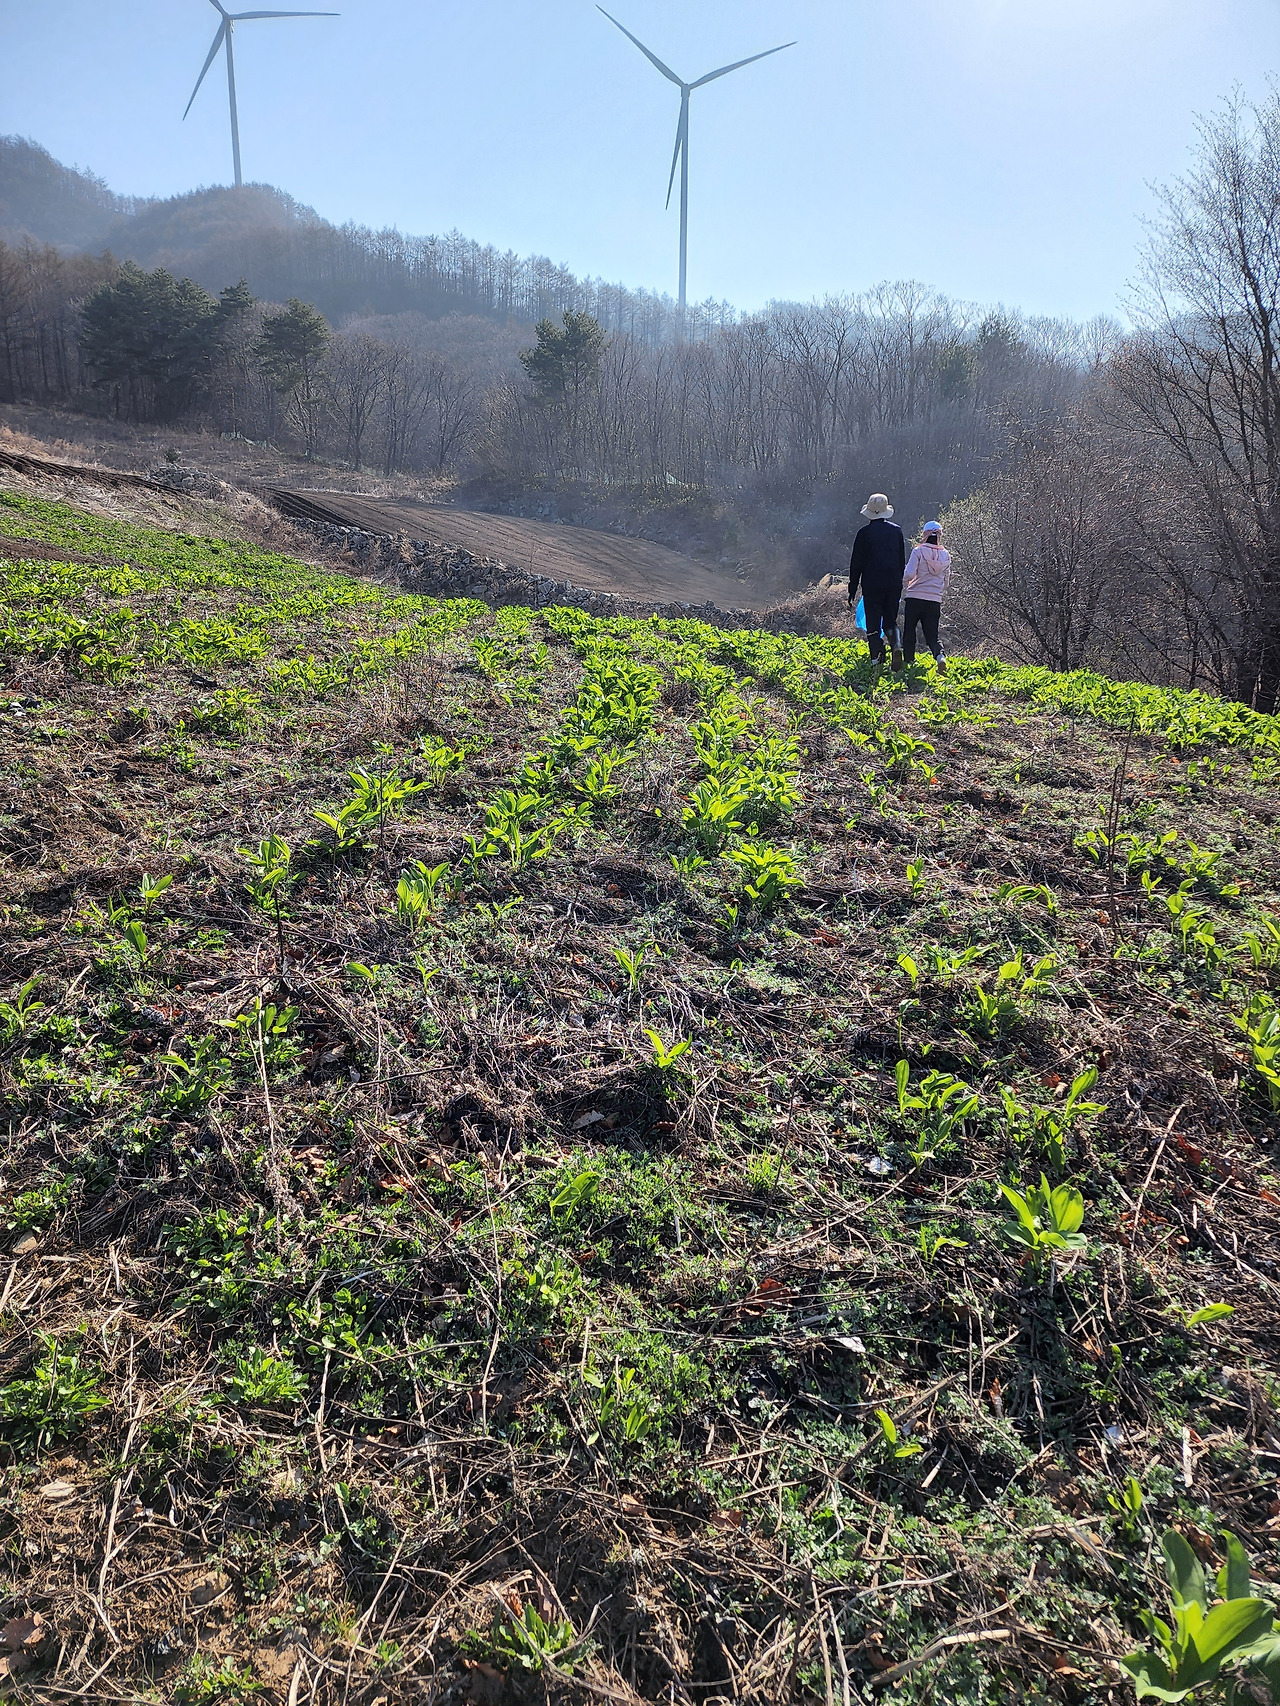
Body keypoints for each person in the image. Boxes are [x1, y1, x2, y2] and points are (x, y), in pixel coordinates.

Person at [848, 492, 906, 669]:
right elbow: (901, 560)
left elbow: (856, 564)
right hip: (893, 583)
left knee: (873, 623)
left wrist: (852, 589)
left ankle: (877, 661)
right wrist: (898, 582)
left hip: (872, 585)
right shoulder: (896, 531)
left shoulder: (864, 534)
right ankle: (896, 646)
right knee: (890, 621)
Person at [901, 521, 951, 675]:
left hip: (915, 597)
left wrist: (898, 577)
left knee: (909, 630)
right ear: (939, 535)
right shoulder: (946, 555)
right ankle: (940, 656)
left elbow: (909, 574)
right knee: (932, 634)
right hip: (934, 600)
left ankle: (909, 662)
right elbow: (946, 583)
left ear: (924, 534)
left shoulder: (918, 551)